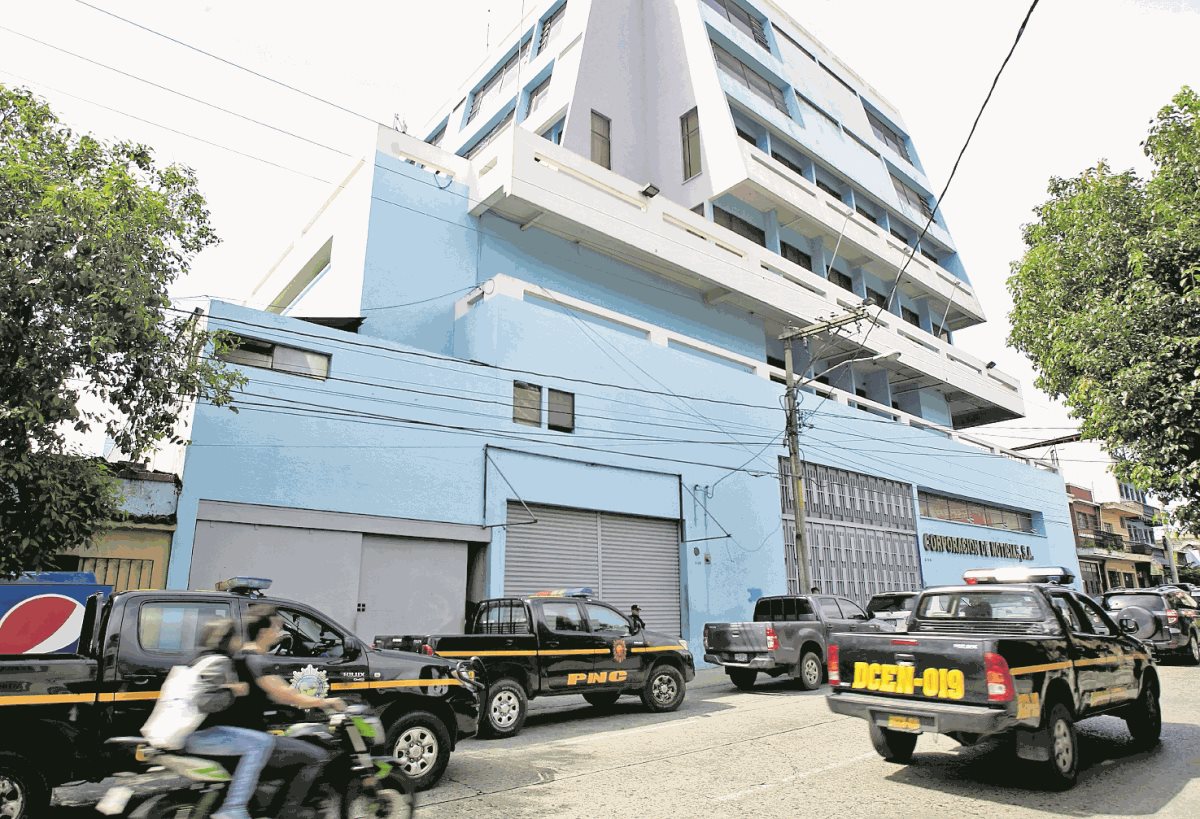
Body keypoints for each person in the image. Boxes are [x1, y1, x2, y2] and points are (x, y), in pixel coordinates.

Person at [230, 602, 346, 817]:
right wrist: (325, 702)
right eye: (277, 627)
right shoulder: (257, 661)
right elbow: (284, 694)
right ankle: (288, 813)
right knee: (316, 756)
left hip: (237, 737)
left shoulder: (240, 656)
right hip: (252, 740)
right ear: (265, 632)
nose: (280, 632)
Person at [179, 618, 275, 819]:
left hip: (182, 731)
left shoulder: (196, 659)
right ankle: (233, 808)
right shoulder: (220, 662)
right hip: (198, 734)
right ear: (227, 640)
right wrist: (232, 690)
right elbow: (205, 701)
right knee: (262, 743)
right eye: (236, 637)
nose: (240, 641)